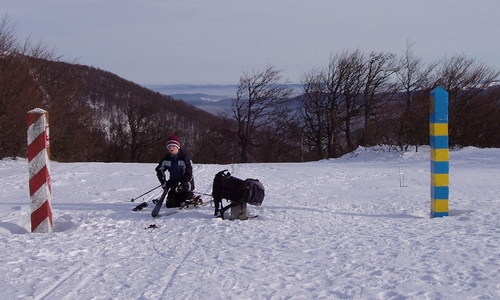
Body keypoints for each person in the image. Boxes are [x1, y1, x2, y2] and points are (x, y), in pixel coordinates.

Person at [154, 135, 197, 209]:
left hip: (186, 186)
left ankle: (193, 198)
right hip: (174, 186)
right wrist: (163, 182)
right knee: (170, 204)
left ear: (177, 147)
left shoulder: (185, 157)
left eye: (173, 146)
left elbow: (188, 174)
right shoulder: (166, 158)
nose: (171, 148)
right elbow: (159, 169)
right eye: (169, 146)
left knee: (185, 202)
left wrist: (180, 183)